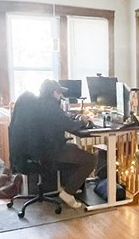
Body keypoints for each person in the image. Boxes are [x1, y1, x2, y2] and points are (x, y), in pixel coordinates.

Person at [35, 79, 97, 209]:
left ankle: (71, 187)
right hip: (53, 150)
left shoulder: (39, 105)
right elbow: (71, 126)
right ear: (53, 93)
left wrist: (74, 119)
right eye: (59, 93)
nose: (61, 96)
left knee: (74, 147)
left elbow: (63, 121)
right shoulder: (52, 108)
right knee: (91, 160)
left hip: (41, 149)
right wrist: (83, 121)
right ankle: (68, 193)